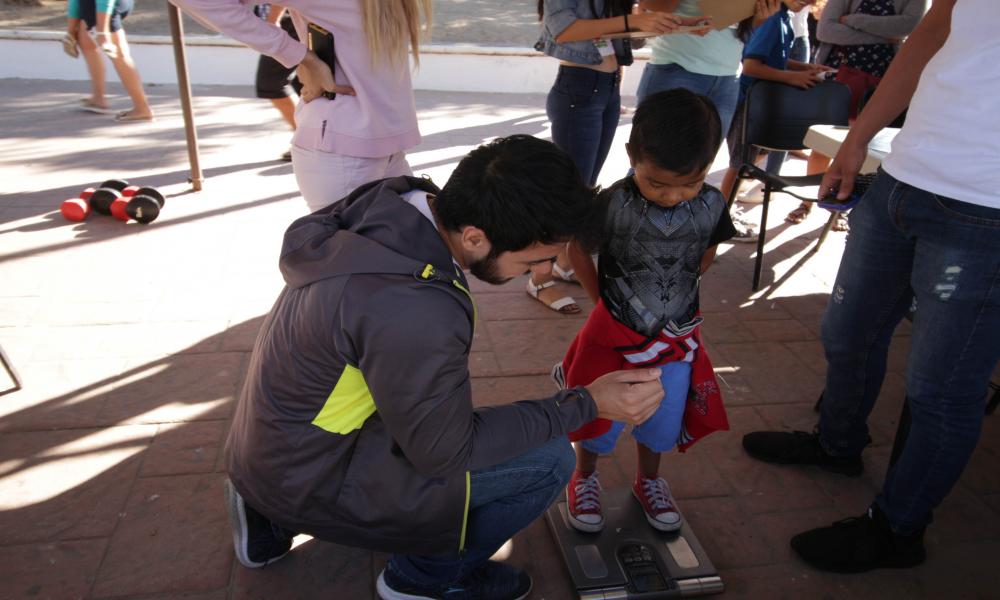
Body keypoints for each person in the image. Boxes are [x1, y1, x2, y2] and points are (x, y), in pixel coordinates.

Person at [220, 135, 668, 600]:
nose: (549, 266)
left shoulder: (390, 206)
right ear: (474, 236)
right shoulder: (413, 306)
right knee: (550, 460)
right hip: (308, 474)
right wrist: (587, 402)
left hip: (267, 451)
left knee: (463, 416)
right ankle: (423, 578)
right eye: (535, 259)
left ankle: (263, 514)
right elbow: (445, 453)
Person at [742, 0, 1000, 573]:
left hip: (987, 215)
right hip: (904, 179)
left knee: (941, 391)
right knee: (848, 330)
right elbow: (931, 33)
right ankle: (837, 446)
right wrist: (859, 137)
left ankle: (898, 530)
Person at [556, 90, 733, 533]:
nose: (673, 196)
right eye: (657, 183)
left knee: (662, 417)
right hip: (614, 338)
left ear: (709, 166)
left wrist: (685, 280)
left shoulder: (712, 203)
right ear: (632, 154)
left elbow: (708, 249)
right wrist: (599, 299)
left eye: (689, 184)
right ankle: (585, 476)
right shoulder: (613, 203)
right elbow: (578, 247)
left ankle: (648, 481)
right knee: (597, 417)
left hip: (675, 342)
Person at [170, 0, 431, 212]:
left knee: (392, 265)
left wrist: (299, 56)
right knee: (352, 269)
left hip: (374, 147)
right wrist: (299, 56)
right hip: (345, 151)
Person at [530, 0, 704, 314]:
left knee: (584, 190)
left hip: (606, 88)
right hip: (578, 89)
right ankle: (539, 279)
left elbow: (620, 34)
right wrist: (629, 21)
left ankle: (564, 262)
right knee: (567, 196)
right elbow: (562, 29)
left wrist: (668, 24)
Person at [635, 0, 783, 242]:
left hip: (727, 77)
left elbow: (738, 29)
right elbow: (651, 5)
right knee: (653, 162)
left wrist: (761, 17)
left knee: (697, 167)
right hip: (676, 68)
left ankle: (675, 241)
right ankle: (632, 241)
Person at [784, 0, 927, 228]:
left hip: (881, 85)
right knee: (823, 144)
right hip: (837, 77)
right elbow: (825, 30)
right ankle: (808, 203)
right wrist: (885, 35)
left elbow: (908, 28)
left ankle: (841, 209)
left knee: (864, 147)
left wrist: (852, 21)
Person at [718, 0, 833, 208]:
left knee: (749, 161)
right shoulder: (772, 19)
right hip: (749, 105)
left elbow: (775, 58)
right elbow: (751, 66)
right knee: (739, 166)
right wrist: (791, 77)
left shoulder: (784, 18)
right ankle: (719, 221)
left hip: (761, 105)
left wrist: (804, 68)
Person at [64, 0, 155, 122]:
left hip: (104, 6)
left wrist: (103, 31)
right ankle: (98, 99)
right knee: (85, 39)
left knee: (118, 53)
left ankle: (142, 108)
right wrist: (70, 32)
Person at [253, 4, 301, 162]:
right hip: (291, 20)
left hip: (289, 21)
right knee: (302, 82)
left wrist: (273, 21)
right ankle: (313, 138)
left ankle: (304, 139)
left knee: (270, 84)